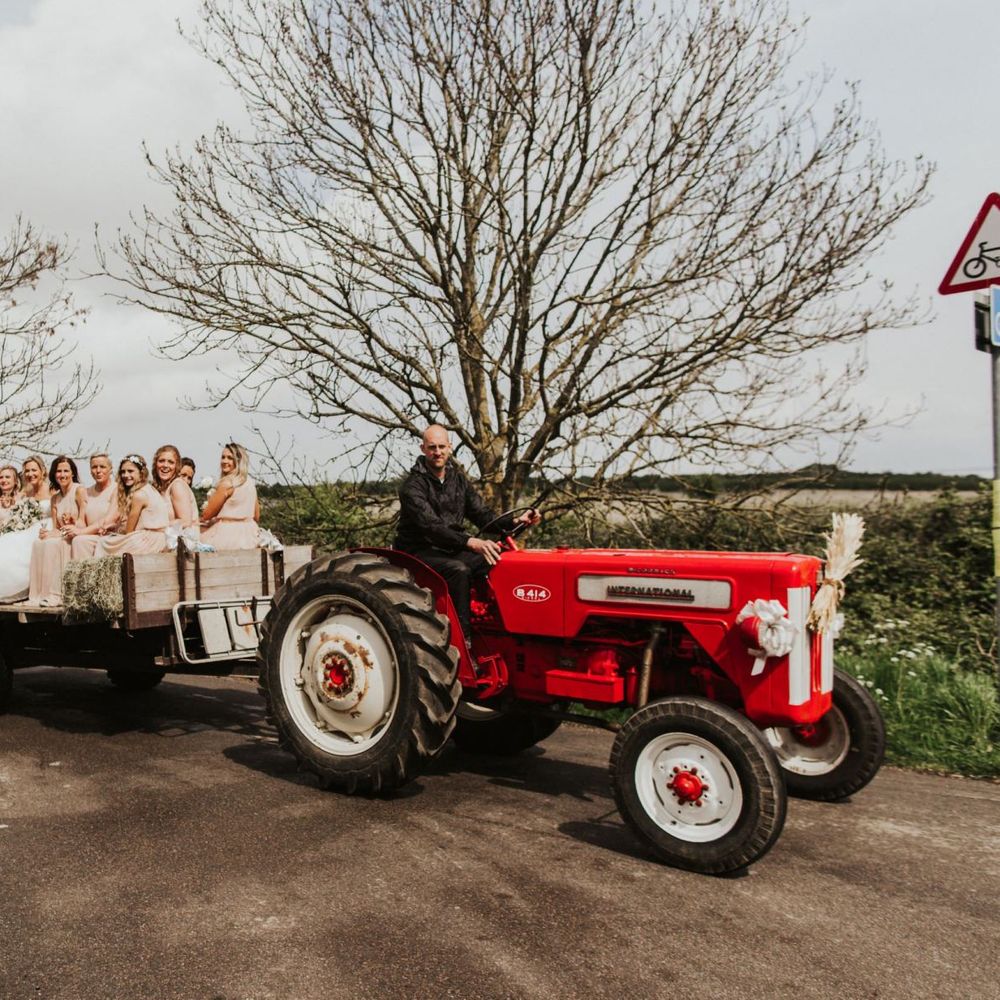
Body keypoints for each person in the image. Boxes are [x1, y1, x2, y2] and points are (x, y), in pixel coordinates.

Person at [394, 424, 539, 649]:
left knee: (499, 559)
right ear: (423, 449)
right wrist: (470, 542)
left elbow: (482, 514)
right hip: (418, 551)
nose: (437, 452)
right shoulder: (413, 487)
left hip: (449, 547)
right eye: (432, 447)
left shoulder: (457, 479)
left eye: (442, 446)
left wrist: (515, 521)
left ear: (450, 448)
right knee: (458, 571)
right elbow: (432, 527)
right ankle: (462, 643)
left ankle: (500, 627)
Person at [72, 454, 169, 559]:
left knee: (104, 543)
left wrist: (114, 529)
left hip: (147, 540)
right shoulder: (147, 488)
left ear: (141, 473)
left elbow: (129, 531)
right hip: (154, 537)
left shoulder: (139, 495)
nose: (126, 475)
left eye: (130, 471)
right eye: (123, 472)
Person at [27, 456, 87, 605]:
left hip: (77, 536)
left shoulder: (79, 491)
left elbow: (83, 522)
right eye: (59, 471)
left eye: (66, 471)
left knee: (51, 545)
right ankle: (37, 596)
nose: (62, 475)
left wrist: (73, 522)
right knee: (39, 543)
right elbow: (56, 529)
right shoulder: (55, 498)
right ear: (54, 475)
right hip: (63, 534)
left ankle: (56, 595)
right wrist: (47, 534)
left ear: (72, 473)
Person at [200, 442, 260, 550]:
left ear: (238, 461)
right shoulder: (250, 483)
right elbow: (256, 516)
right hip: (250, 534)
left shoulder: (227, 484)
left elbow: (207, 515)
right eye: (223, 457)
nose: (224, 461)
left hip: (227, 535)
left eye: (229, 458)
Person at [0, 463, 46, 602]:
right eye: (1, 477)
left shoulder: (22, 497)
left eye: (7, 477)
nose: (3, 480)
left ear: (15, 481)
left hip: (21, 532)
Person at [61, 453, 119, 555]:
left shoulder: (117, 490)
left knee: (79, 541)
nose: (98, 471)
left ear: (110, 469)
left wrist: (80, 532)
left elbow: (109, 520)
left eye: (102, 467)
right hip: (90, 536)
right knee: (67, 541)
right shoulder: (86, 492)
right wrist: (73, 523)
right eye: (94, 467)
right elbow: (82, 522)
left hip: (110, 538)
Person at [152, 444, 199, 542]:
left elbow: (185, 522)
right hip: (167, 537)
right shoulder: (160, 488)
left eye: (170, 462)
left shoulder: (177, 485)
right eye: (161, 461)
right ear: (155, 464)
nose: (165, 465)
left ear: (177, 466)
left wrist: (154, 526)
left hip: (183, 542)